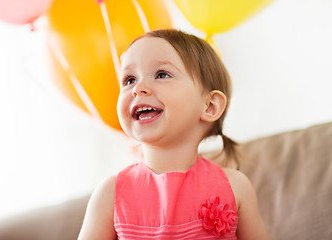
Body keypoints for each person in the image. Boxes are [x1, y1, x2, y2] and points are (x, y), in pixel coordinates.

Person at [78, 29, 270, 240]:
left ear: (210, 106)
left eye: (161, 74)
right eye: (129, 80)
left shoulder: (235, 187)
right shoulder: (110, 194)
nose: (137, 88)